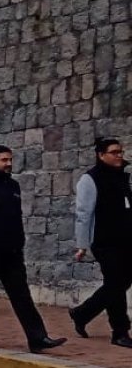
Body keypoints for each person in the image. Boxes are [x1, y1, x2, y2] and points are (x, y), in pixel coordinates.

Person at [0, 145, 66, 353]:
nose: (8, 163)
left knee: (22, 296)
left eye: (10, 160)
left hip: (12, 252)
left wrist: (19, 243)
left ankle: (38, 338)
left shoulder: (13, 186)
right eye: (3, 160)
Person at [70, 137, 132, 348]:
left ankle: (81, 313)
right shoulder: (90, 179)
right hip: (105, 241)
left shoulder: (123, 176)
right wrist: (82, 244)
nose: (119, 155)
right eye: (114, 152)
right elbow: (83, 213)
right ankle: (120, 331)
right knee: (115, 283)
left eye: (120, 151)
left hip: (126, 240)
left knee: (121, 283)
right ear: (101, 155)